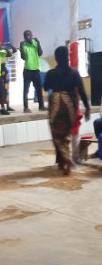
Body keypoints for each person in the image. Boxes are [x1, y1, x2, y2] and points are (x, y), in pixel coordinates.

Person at [43, 46, 90, 175]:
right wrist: (87, 108)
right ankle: (63, 160)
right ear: (68, 57)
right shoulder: (74, 72)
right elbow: (82, 91)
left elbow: (46, 88)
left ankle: (65, 159)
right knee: (67, 134)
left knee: (57, 134)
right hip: (71, 105)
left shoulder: (51, 73)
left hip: (56, 105)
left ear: (56, 58)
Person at [20, 30, 47, 113]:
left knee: (39, 88)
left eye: (29, 35)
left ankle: (41, 106)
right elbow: (23, 57)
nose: (27, 36)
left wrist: (38, 42)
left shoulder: (35, 43)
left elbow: (40, 53)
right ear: (24, 37)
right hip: (27, 70)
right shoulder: (23, 45)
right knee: (26, 89)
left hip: (36, 70)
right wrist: (21, 47)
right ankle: (26, 107)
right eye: (25, 35)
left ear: (32, 35)